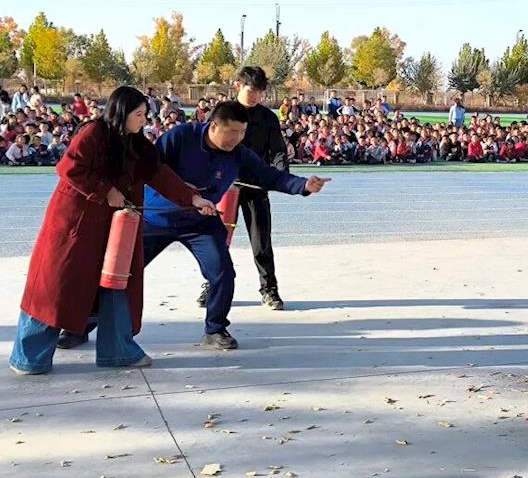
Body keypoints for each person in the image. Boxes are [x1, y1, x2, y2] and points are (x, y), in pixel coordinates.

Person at [13, 87, 215, 373]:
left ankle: (117, 350)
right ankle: (29, 357)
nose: (143, 120)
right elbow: (70, 167)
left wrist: (192, 199)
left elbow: (159, 174)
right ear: (122, 112)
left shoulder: (137, 144)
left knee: (118, 282)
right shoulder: (94, 132)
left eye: (145, 114)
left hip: (117, 227)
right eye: (138, 114)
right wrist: (106, 190)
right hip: (76, 225)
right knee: (55, 288)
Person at [142, 100, 330, 350]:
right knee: (122, 270)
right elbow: (151, 168)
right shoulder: (181, 137)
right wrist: (180, 189)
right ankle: (89, 321)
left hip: (201, 221)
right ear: (213, 125)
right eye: (232, 132)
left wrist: (303, 185)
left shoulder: (238, 153)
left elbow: (269, 176)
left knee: (222, 272)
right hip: (157, 217)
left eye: (242, 132)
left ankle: (215, 329)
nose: (237, 138)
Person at [196, 66, 291, 310]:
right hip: (222, 189)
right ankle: (212, 286)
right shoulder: (222, 113)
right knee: (217, 240)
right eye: (252, 90)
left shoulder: (268, 118)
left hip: (255, 187)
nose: (256, 96)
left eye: (260, 91)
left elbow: (277, 150)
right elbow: (205, 146)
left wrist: (281, 173)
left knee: (261, 242)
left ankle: (269, 290)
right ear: (238, 85)